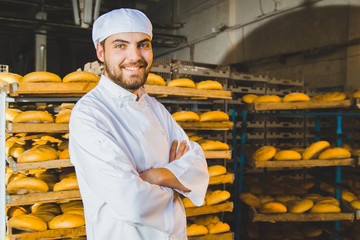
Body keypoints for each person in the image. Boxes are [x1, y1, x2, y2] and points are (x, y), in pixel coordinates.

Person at [69, 8, 209, 240]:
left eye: (143, 45)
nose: (135, 57)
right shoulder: (89, 114)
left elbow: (198, 168)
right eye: (120, 45)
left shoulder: (156, 108)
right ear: (101, 52)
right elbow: (132, 200)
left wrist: (153, 177)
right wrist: (176, 183)